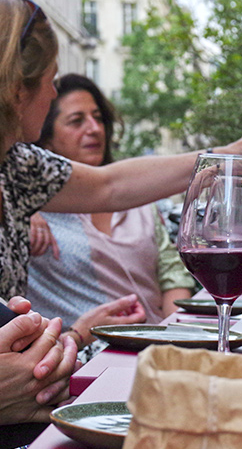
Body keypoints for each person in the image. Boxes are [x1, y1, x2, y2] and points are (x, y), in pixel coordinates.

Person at [0, 0, 242, 425]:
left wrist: (236, 153)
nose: (55, 92)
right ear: (18, 89)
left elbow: (111, 185)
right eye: (52, 79)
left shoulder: (15, 166)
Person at [27, 74, 196, 345]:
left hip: (155, 352)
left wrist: (174, 338)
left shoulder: (137, 198)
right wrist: (24, 209)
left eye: (98, 117)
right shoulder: (32, 211)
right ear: (45, 140)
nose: (94, 128)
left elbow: (171, 272)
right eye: (76, 121)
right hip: (77, 365)